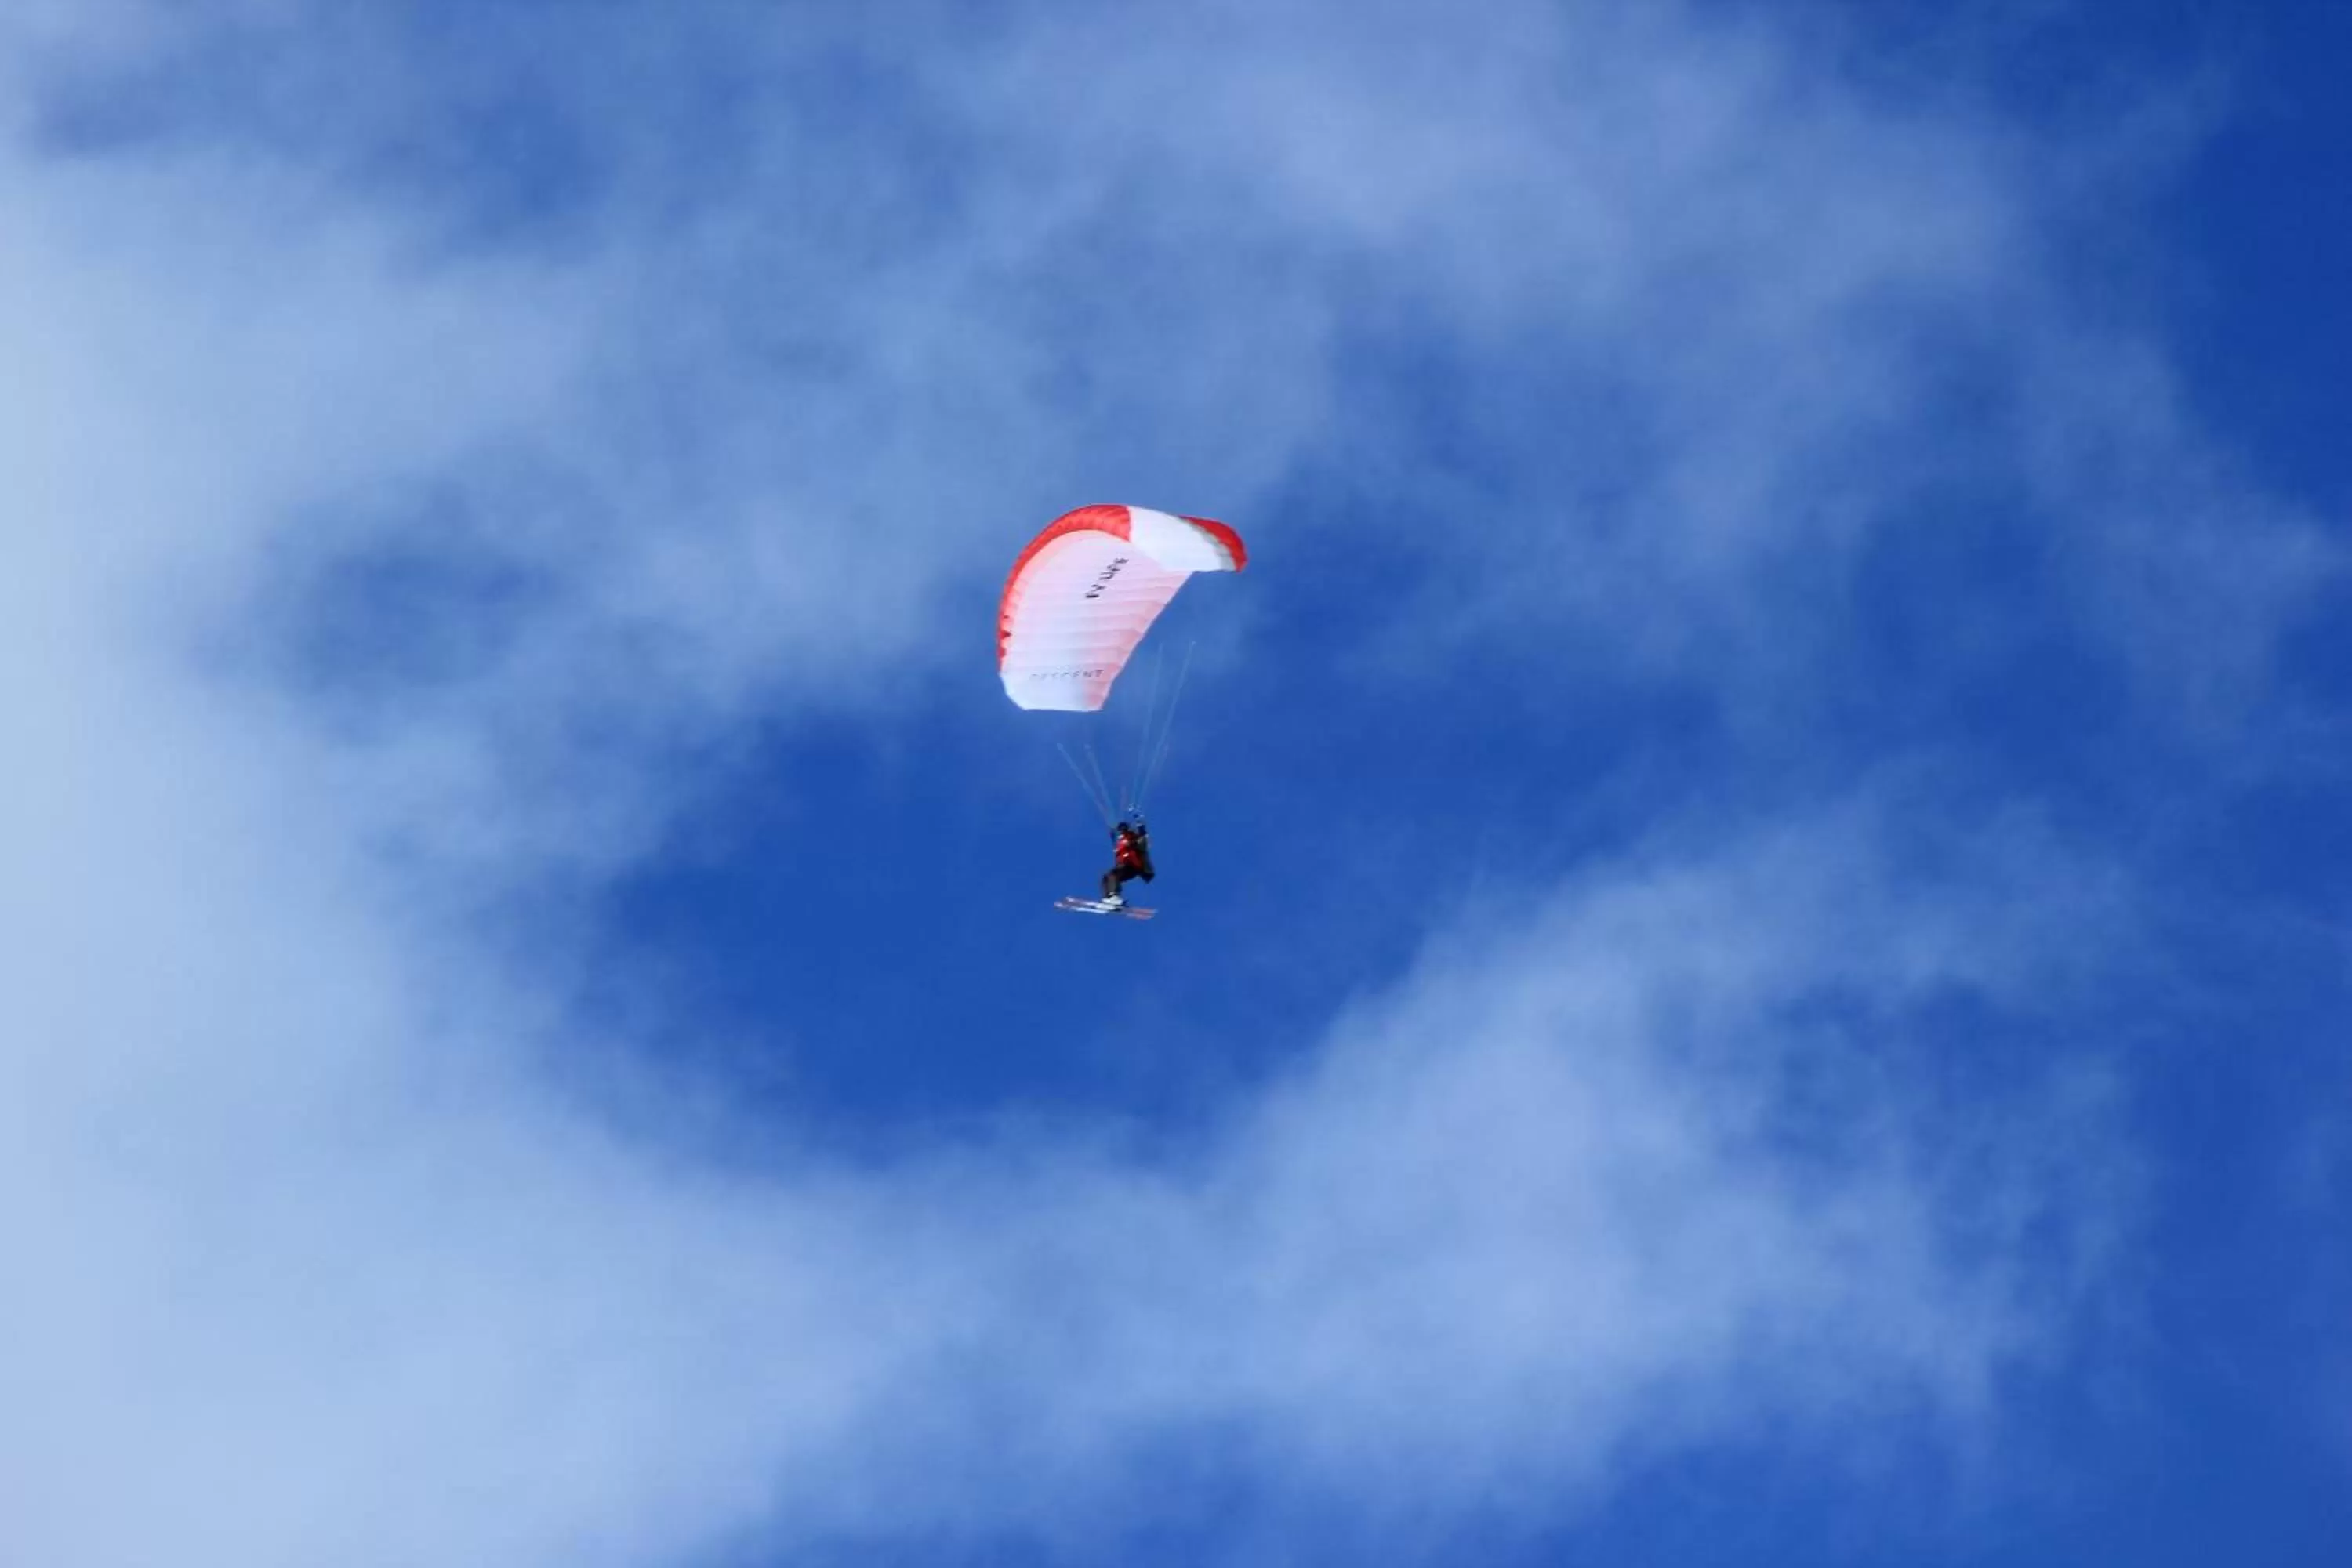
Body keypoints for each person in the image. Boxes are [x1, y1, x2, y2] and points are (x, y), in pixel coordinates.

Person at [1100, 817, 1155, 906]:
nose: (1121, 832)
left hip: (1132, 865)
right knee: (1105, 877)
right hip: (1125, 867)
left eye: (1122, 830)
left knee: (1113, 874)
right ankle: (1109, 897)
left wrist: (1141, 827)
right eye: (1120, 830)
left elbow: (1143, 840)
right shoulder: (1120, 843)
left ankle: (1115, 897)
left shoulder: (1134, 838)